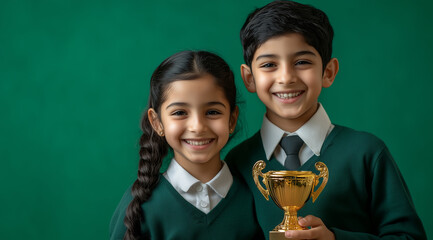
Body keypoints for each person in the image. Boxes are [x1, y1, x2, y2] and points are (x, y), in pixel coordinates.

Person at [225, 1, 427, 240]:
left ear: (328, 72)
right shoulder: (238, 162)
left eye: (302, 62)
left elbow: (410, 237)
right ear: (249, 79)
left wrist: (335, 239)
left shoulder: (367, 153)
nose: (286, 77)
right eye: (269, 65)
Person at [109, 50, 264, 240]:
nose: (197, 127)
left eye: (213, 112)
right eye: (180, 112)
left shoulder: (256, 196)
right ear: (157, 122)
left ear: (232, 119)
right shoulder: (140, 205)